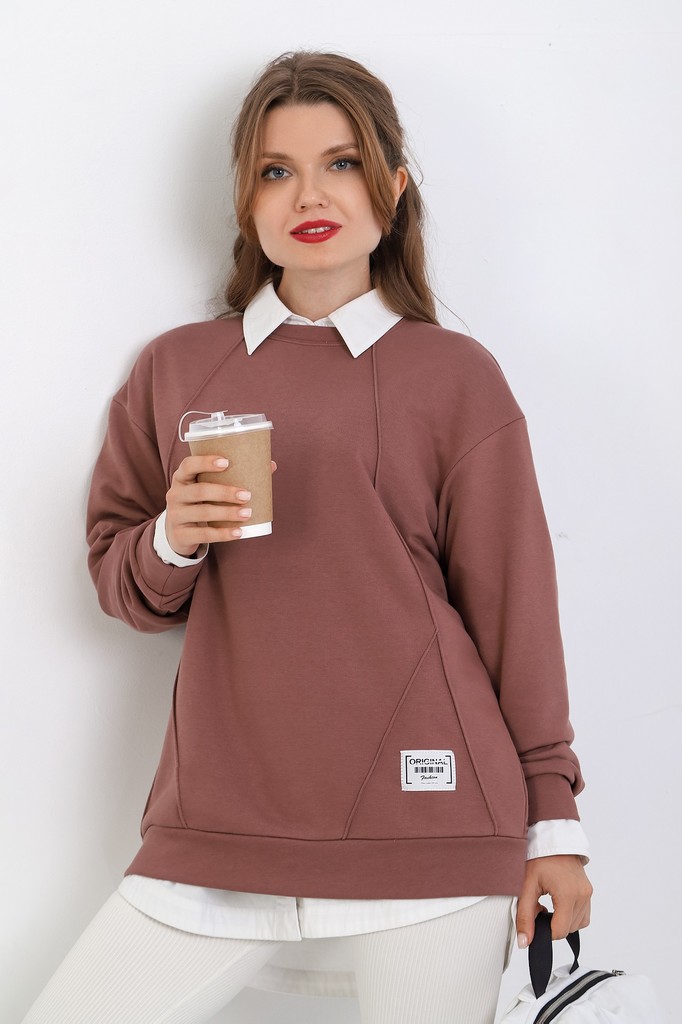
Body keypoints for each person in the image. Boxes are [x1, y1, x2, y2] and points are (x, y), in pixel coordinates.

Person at [22, 49, 592, 1024]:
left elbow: (517, 611)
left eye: (342, 163)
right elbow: (121, 582)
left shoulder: (455, 376)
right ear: (246, 199)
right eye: (276, 170)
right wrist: (174, 537)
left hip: (435, 825)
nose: (309, 195)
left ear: (394, 188)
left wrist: (556, 827)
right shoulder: (178, 368)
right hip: (218, 824)